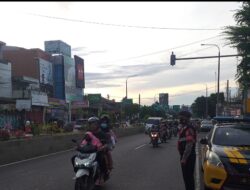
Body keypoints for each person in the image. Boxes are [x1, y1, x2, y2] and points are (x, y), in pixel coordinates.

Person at [177, 110, 197, 190]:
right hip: (186, 156)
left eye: (181, 117)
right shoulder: (184, 127)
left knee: (188, 178)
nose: (179, 119)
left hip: (188, 157)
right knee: (187, 178)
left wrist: (184, 158)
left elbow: (189, 145)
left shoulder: (189, 128)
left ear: (185, 118)